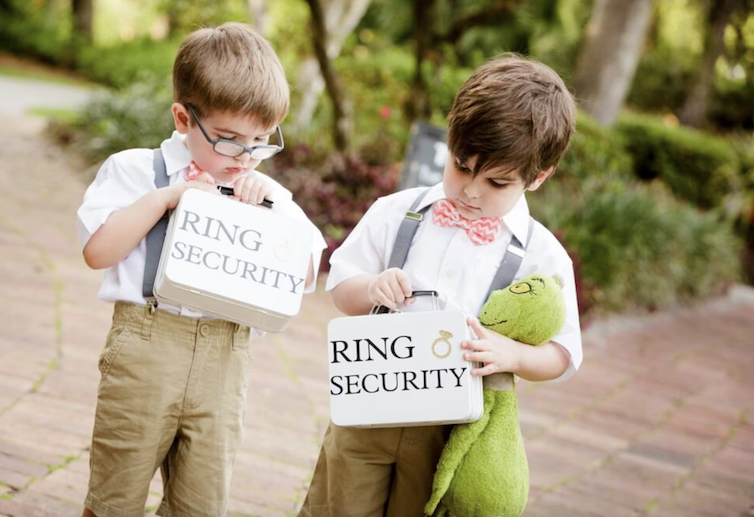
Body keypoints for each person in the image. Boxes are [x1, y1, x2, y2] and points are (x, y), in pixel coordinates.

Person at [298, 53, 583, 517]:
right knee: (338, 505)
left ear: (537, 177)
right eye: (461, 166)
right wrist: (372, 288)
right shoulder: (398, 211)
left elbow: (563, 353)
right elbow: (341, 286)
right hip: (369, 403)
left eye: (495, 182)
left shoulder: (541, 255)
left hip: (450, 429)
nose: (470, 190)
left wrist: (511, 355)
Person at [77, 22, 326, 517]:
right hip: (148, 346)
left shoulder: (264, 192)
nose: (247, 156)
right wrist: (166, 198)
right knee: (116, 494)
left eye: (261, 141)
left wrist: (272, 214)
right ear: (184, 118)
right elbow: (98, 252)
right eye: (230, 140)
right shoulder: (137, 171)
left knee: (202, 501)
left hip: (225, 357)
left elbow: (306, 273)